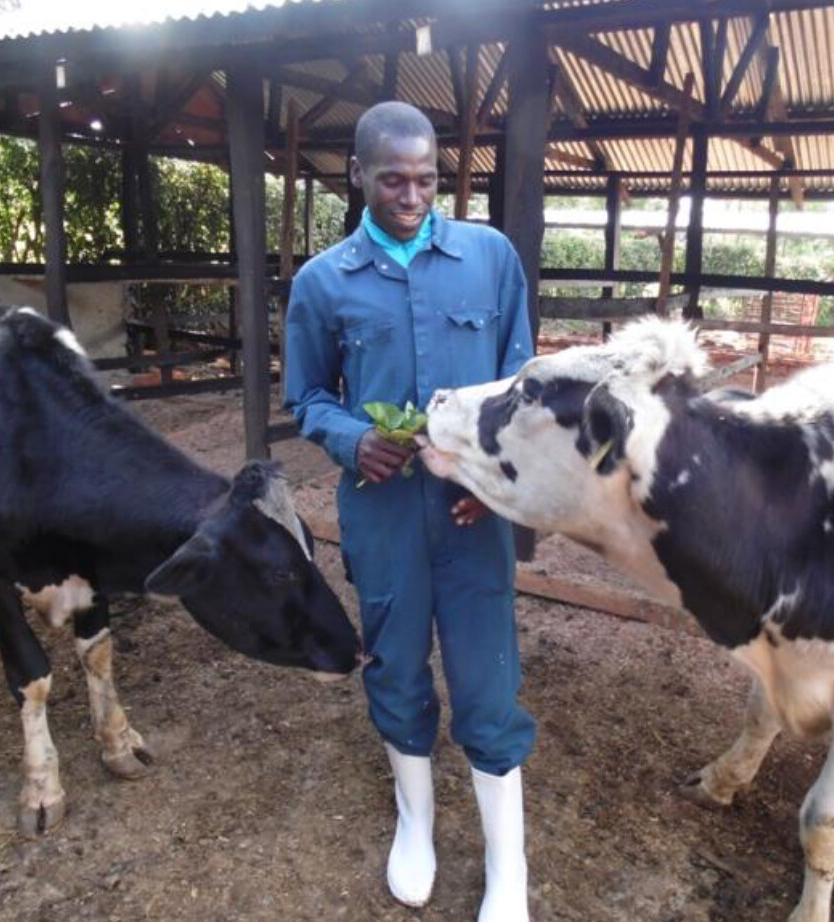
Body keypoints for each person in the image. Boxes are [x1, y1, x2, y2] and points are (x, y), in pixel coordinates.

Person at [284, 101, 536, 922]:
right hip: (382, 511)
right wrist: (353, 439)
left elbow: (522, 385)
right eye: (393, 180)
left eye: (427, 179)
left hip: (473, 513)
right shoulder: (324, 282)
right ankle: (415, 825)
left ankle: (507, 867)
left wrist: (492, 478)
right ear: (357, 173)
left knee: (488, 678)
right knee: (394, 665)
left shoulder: (489, 259)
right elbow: (308, 396)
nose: (412, 196)